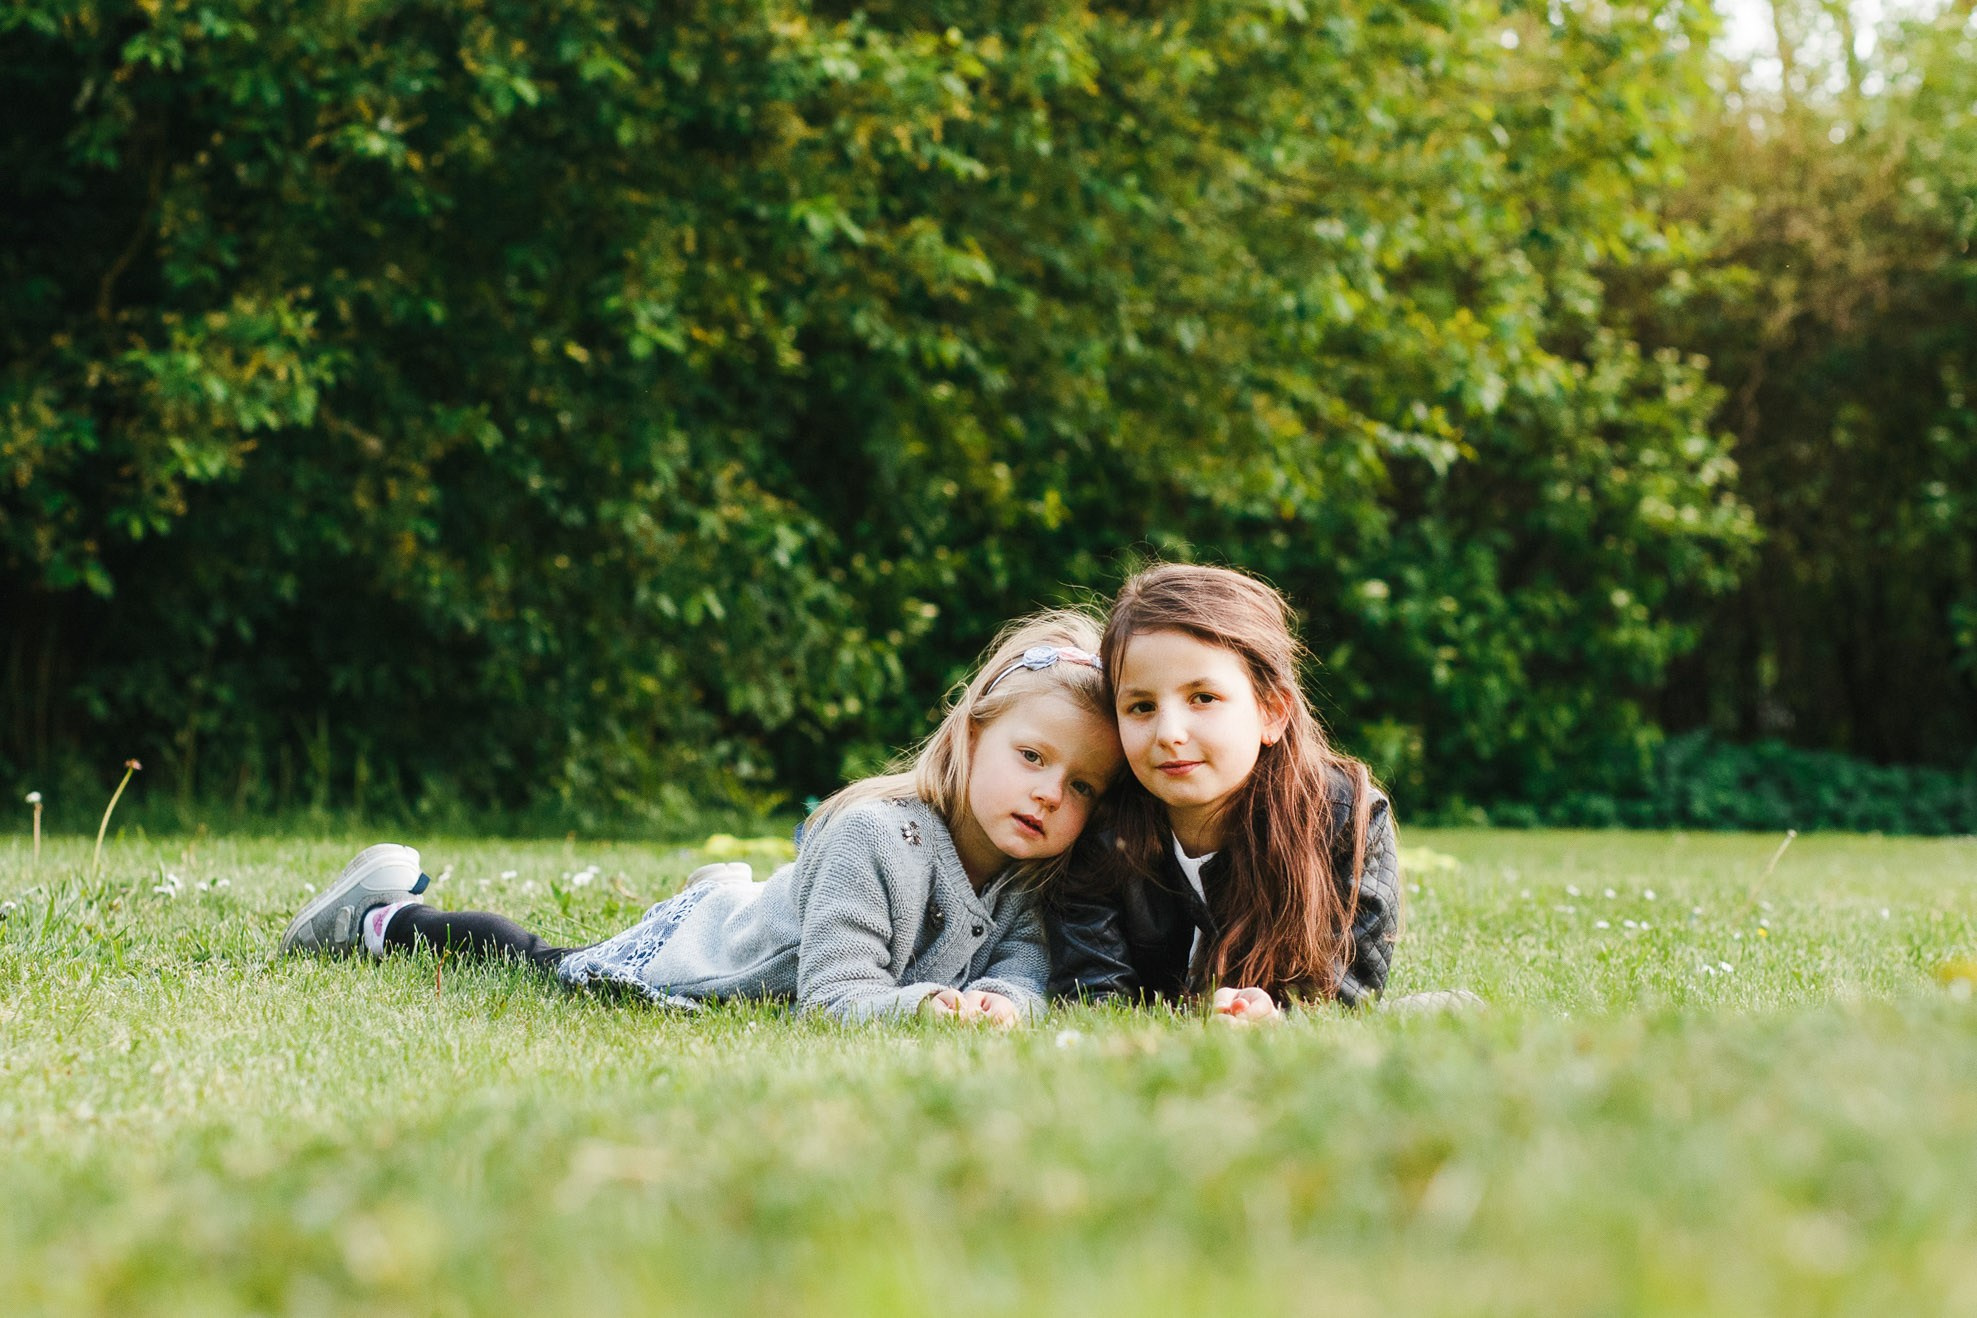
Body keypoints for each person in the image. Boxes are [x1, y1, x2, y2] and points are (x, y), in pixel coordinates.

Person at [279, 612, 1123, 1025]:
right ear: (971, 735)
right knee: (545, 962)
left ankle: (734, 892)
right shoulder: (880, 836)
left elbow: (1021, 969)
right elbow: (833, 998)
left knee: (762, 906)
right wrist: (927, 1010)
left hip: (785, 924)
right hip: (709, 962)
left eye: (1085, 786)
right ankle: (383, 918)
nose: (1053, 793)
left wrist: (1006, 1007)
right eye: (1033, 758)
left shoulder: (1031, 872)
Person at [1048, 564, 1401, 1021]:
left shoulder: (1344, 818)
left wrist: (1274, 1018)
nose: (1169, 733)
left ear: (1272, 712)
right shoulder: (1101, 832)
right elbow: (1092, 1002)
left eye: (1203, 698)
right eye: (1141, 706)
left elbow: (1344, 1001)